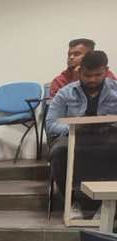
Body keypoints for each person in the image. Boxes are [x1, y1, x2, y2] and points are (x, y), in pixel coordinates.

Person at [47, 50, 117, 218]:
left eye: (98, 75)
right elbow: (50, 124)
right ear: (79, 71)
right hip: (75, 137)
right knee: (59, 151)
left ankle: (109, 204)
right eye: (87, 75)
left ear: (106, 70)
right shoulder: (65, 93)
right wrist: (74, 127)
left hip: (109, 137)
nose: (92, 79)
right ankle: (72, 203)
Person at [51, 38, 117, 97]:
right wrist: (75, 82)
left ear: (89, 55)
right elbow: (57, 104)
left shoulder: (105, 74)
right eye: (69, 54)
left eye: (77, 54)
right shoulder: (59, 81)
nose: (71, 57)